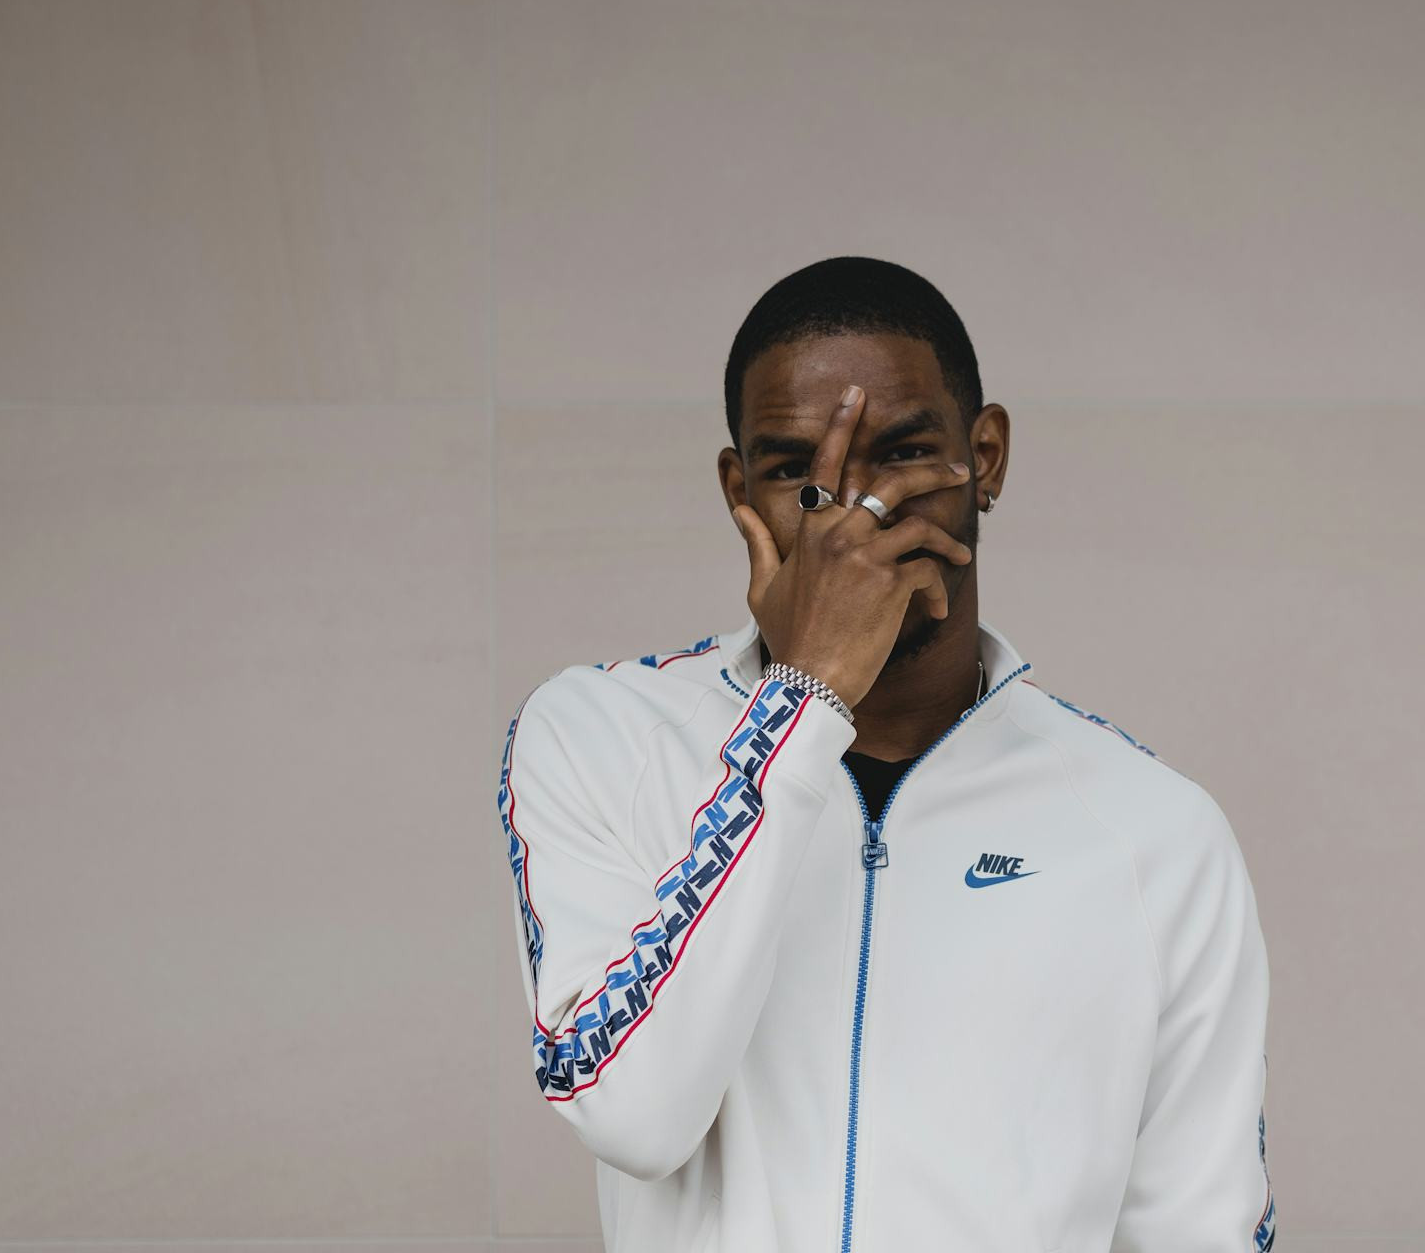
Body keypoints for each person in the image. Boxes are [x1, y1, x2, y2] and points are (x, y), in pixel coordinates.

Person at [496, 256, 1276, 1252]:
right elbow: (633, 1113)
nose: (850, 518)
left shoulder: (1154, 829)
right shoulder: (598, 735)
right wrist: (805, 700)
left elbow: (1198, 1231)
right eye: (798, 472)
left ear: (985, 458)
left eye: (902, 455)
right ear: (738, 490)